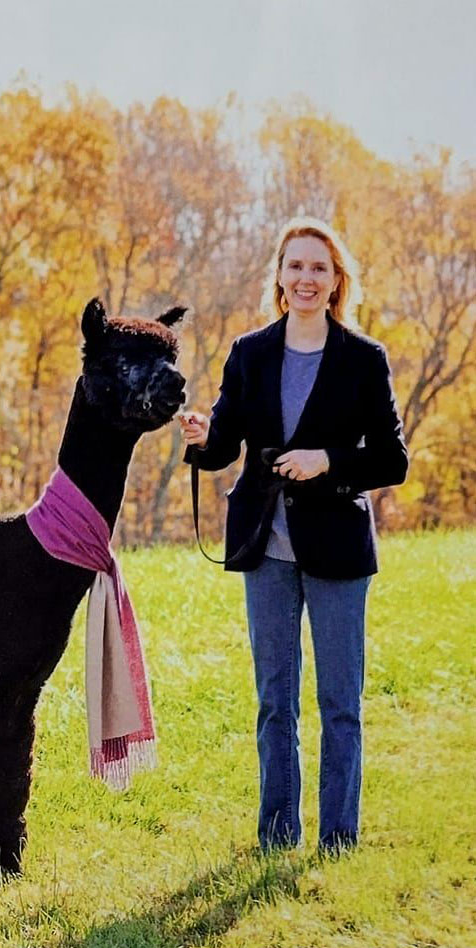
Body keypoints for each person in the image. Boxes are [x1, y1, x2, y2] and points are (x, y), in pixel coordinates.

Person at [180, 217, 408, 854]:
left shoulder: (364, 359)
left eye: (319, 268)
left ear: (337, 282)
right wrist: (202, 437)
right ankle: (278, 836)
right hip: (265, 547)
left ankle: (339, 840)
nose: (306, 278)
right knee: (275, 703)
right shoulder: (249, 351)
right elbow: (225, 444)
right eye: (295, 266)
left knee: (340, 703)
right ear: (279, 277)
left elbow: (393, 461)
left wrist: (328, 460)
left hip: (337, 548)